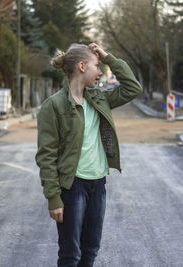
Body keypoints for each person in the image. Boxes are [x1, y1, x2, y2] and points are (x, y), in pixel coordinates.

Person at [35, 43, 142, 267]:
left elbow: (133, 89)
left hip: (98, 185)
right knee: (70, 254)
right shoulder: (53, 106)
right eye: (97, 66)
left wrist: (108, 57)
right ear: (82, 67)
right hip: (72, 187)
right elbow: (46, 156)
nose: (101, 71)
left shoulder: (99, 99)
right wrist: (53, 198)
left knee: (91, 249)